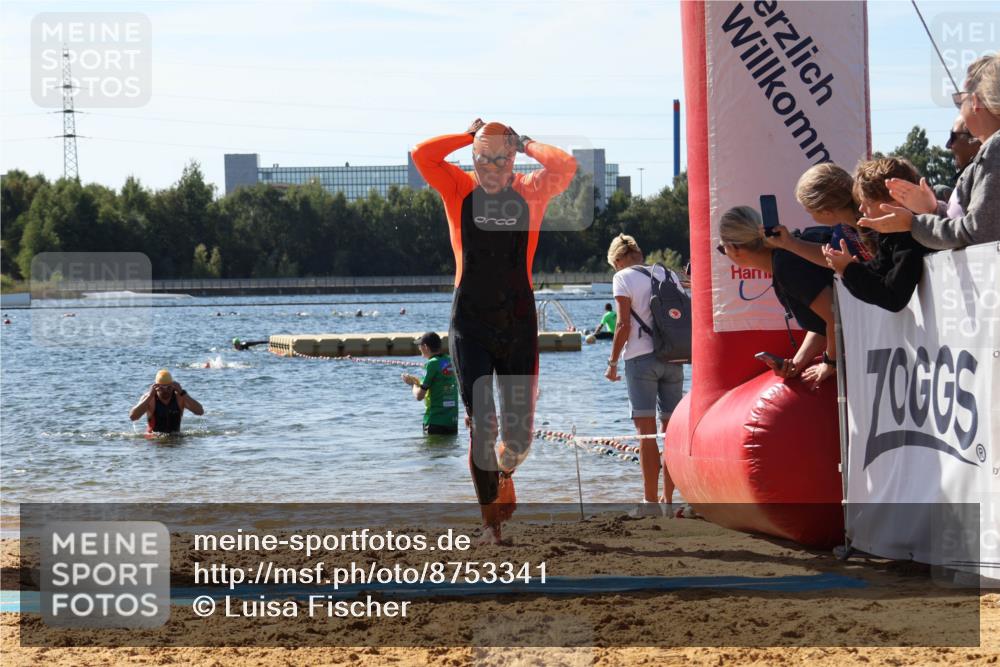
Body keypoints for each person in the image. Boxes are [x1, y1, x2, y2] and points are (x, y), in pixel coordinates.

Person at [412, 119, 576, 543]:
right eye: (482, 158)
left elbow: (566, 166)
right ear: (474, 158)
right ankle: (490, 525)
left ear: (513, 159)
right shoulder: (458, 188)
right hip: (470, 323)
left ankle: (504, 474)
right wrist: (466, 136)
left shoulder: (531, 190)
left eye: (501, 158)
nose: (491, 167)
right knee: (482, 426)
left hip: (518, 323)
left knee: (518, 439)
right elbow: (422, 155)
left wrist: (528, 142)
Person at [862, 53, 1000, 248]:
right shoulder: (991, 151)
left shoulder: (995, 149)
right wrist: (933, 210)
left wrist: (913, 224)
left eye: (960, 101)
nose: (960, 109)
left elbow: (977, 234)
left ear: (975, 101)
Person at [604, 234, 685, 517]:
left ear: (617, 260)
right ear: (639, 254)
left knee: (647, 434)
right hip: (674, 357)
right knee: (671, 433)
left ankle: (650, 503)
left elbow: (623, 324)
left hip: (640, 360)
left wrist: (612, 363)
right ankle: (669, 500)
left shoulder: (622, 277)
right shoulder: (667, 273)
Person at [717, 206, 836, 390]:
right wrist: (796, 364)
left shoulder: (786, 265)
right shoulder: (784, 258)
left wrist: (830, 363)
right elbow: (823, 323)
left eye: (722, 248)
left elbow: (834, 316)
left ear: (734, 248)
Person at [823, 158, 930, 312]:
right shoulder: (890, 235)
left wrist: (849, 270)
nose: (861, 208)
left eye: (867, 202)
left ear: (895, 200)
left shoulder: (910, 237)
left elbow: (893, 298)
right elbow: (878, 271)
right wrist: (847, 268)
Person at [767, 163, 874, 267]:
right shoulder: (844, 226)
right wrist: (788, 243)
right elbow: (834, 258)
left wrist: (850, 270)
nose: (811, 217)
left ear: (826, 212)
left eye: (810, 212)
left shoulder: (876, 226)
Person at [885, 115, 982, 220]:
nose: (948, 145)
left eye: (953, 137)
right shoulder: (972, 181)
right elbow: (955, 225)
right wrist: (934, 209)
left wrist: (912, 223)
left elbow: (972, 228)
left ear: (975, 138)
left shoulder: (986, 182)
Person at [401, 332, 459, 435]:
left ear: (426, 347)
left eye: (420, 346)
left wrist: (413, 384)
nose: (419, 348)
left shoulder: (431, 364)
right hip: (452, 422)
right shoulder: (450, 360)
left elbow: (419, 396)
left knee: (431, 446)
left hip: (435, 421)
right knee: (448, 445)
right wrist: (418, 382)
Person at [129, 369, 204, 434]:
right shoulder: (150, 399)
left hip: (176, 438)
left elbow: (200, 411)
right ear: (156, 387)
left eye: (169, 387)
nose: (165, 390)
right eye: (162, 388)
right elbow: (133, 417)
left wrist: (182, 392)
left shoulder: (180, 397)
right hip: (154, 440)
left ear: (173, 386)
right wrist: (149, 396)